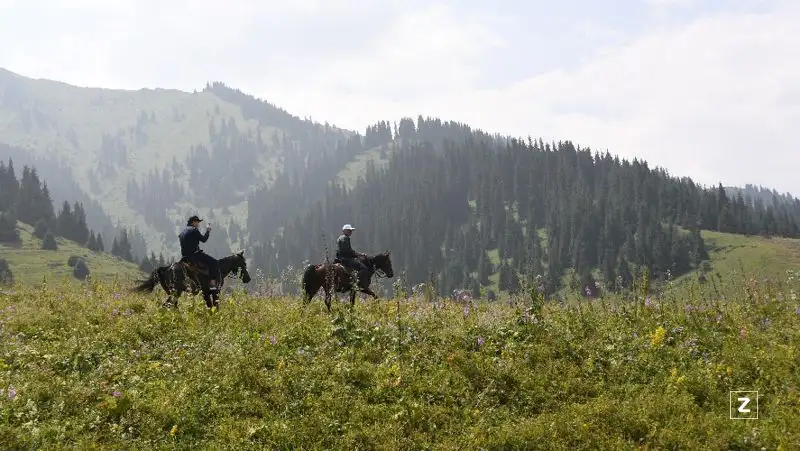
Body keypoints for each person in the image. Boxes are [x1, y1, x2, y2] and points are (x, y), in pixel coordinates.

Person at [179, 215, 221, 292]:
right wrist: (208, 230)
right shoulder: (194, 230)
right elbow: (204, 239)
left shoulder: (182, 232)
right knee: (214, 262)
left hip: (184, 257)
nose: (198, 224)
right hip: (195, 255)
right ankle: (212, 284)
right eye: (198, 222)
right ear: (193, 222)